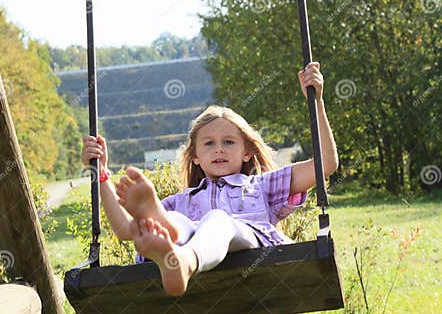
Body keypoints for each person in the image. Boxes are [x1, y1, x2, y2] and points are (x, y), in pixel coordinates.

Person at [81, 61, 338, 297]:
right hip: (192, 242)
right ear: (194, 156)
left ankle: (183, 261)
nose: (219, 149)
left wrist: (316, 101)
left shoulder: (262, 186)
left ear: (247, 152)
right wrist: (101, 173)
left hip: (255, 249)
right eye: (208, 144)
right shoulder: (183, 200)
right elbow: (126, 230)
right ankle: (170, 238)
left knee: (217, 219)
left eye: (228, 142)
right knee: (175, 219)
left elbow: (325, 164)